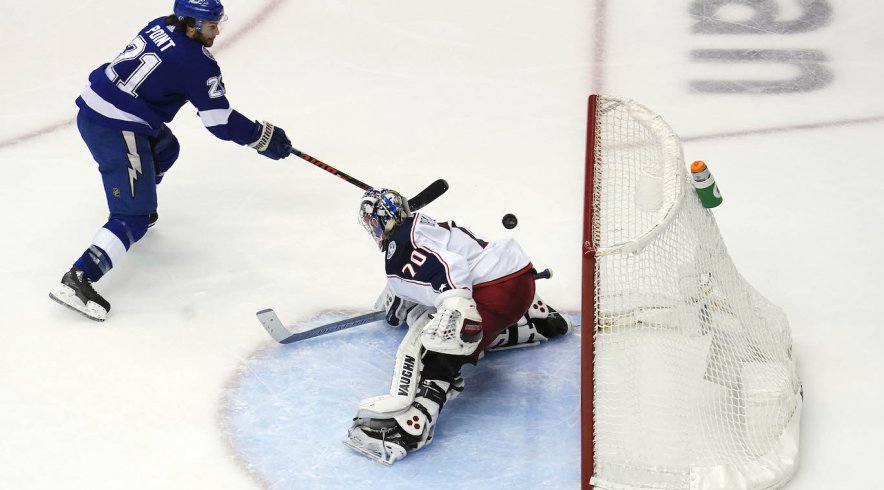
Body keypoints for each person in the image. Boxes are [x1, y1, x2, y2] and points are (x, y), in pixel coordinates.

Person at [49, 0, 294, 321]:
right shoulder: (196, 63)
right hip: (117, 128)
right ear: (190, 24)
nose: (216, 31)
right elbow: (220, 122)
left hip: (96, 111)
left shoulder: (160, 24)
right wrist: (261, 136)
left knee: (165, 149)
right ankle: (80, 278)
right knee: (131, 218)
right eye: (210, 26)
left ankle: (140, 206)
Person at [343, 188, 572, 465]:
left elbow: (449, 267)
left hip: (495, 292)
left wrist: (455, 304)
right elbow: (446, 264)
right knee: (465, 325)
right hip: (521, 282)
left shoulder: (399, 250)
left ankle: (414, 425)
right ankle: (538, 321)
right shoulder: (423, 225)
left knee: (437, 342)